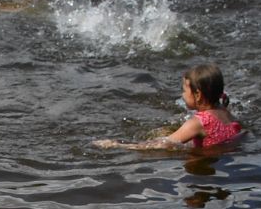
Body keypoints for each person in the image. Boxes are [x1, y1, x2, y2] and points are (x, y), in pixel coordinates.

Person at [96, 64, 242, 152]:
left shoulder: (198, 122)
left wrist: (118, 145)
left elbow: (164, 144)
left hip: (206, 159)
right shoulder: (224, 110)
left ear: (197, 95)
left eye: (184, 90)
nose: (182, 95)